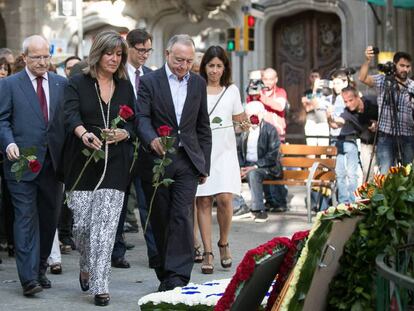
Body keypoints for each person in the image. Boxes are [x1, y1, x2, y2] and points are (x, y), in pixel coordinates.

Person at [62, 30, 135, 306]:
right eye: (109, 53)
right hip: (82, 161)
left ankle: (100, 284)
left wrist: (124, 134)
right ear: (98, 53)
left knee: (104, 227)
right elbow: (69, 115)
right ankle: (86, 261)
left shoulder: (125, 86)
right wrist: (84, 134)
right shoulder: (78, 82)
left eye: (119, 54)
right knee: (82, 227)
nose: (114, 59)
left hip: (115, 163)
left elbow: (134, 121)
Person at [136, 34, 212, 292]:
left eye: (189, 61)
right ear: (167, 54)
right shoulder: (149, 81)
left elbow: (203, 127)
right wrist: (151, 139)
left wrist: (204, 166)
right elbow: (142, 118)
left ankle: (178, 276)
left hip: (187, 161)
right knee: (160, 217)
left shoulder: (198, 84)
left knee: (182, 216)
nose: (184, 66)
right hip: (158, 159)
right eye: (179, 60)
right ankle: (165, 272)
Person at [0, 35, 67, 296]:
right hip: (21, 163)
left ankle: (40, 269)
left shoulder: (62, 83)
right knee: (25, 218)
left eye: (45, 57)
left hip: (53, 165)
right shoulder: (10, 85)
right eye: (36, 57)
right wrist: (8, 143)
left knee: (49, 219)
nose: (41, 62)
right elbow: (2, 120)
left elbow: (68, 121)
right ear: (24, 57)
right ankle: (28, 279)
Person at [195, 46, 247, 274]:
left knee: (225, 199)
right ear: (204, 67)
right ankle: (207, 251)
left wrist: (245, 124)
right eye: (210, 65)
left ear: (224, 67)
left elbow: (240, 121)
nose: (214, 70)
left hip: (225, 152)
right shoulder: (195, 88)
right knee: (204, 201)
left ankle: (223, 242)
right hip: (201, 151)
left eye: (218, 66)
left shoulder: (232, 90)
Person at [110, 28, 156, 269]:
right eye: (141, 50)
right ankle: (116, 251)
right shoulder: (117, 76)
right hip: (122, 146)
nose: (145, 55)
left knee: (148, 202)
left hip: (146, 148)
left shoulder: (150, 75)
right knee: (118, 200)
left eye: (148, 50)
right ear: (129, 48)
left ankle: (155, 253)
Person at [359, 47, 414, 173]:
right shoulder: (383, 80)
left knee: (408, 175)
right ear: (395, 65)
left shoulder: (412, 86)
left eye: (408, 66)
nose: (405, 69)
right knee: (385, 175)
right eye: (402, 65)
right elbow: (362, 78)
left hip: (407, 136)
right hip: (386, 136)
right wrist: (367, 60)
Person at [237, 101, 282, 222]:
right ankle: (239, 206)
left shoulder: (270, 130)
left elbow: (273, 155)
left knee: (253, 173)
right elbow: (239, 151)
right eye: (248, 115)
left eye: (253, 115)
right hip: (248, 166)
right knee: (230, 172)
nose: (250, 118)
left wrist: (256, 166)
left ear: (261, 114)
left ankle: (259, 210)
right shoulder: (244, 129)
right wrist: (240, 167)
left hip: (268, 167)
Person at [327, 86, 378, 181]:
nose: (348, 104)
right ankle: (368, 195)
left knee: (386, 171)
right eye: (345, 102)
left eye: (350, 100)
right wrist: (330, 118)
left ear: (358, 97)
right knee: (367, 173)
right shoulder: (348, 112)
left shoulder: (372, 101)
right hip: (366, 143)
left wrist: (378, 123)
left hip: (384, 140)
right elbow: (337, 123)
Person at [256, 68, 288, 212]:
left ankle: (280, 201)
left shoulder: (280, 92)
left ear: (275, 80)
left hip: (277, 137)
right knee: (262, 168)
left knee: (276, 168)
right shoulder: (256, 91)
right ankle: (269, 201)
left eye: (270, 79)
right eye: (265, 79)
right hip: (260, 136)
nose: (267, 82)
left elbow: (279, 106)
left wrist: (260, 97)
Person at [327, 69, 359, 203]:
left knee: (352, 174)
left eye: (338, 83)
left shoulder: (346, 98)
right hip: (336, 139)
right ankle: (343, 201)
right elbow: (332, 123)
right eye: (333, 83)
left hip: (349, 138)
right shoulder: (331, 98)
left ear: (345, 82)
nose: (335, 86)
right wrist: (329, 117)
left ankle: (352, 201)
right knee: (340, 174)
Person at [302, 69, 332, 146]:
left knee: (323, 149)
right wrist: (314, 90)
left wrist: (311, 102)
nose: (314, 78)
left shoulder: (326, 91)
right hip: (311, 122)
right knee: (311, 149)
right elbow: (307, 108)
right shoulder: (307, 92)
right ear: (309, 78)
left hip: (323, 121)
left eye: (316, 76)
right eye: (312, 76)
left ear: (320, 78)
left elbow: (328, 106)